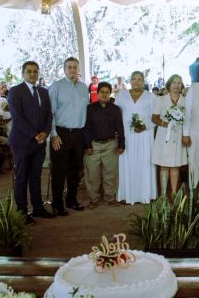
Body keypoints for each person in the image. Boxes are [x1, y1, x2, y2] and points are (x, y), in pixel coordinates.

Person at [7, 61, 55, 224]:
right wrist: (34, 135)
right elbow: (17, 117)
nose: (33, 74)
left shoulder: (43, 91)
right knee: (22, 177)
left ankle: (38, 208)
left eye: (35, 71)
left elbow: (49, 115)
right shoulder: (15, 91)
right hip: (22, 142)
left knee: (36, 176)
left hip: (40, 141)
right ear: (23, 73)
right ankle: (22, 212)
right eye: (29, 71)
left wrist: (45, 133)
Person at [48, 57, 90, 216]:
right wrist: (53, 134)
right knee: (59, 171)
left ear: (78, 69)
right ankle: (57, 203)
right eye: (69, 67)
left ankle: (71, 199)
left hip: (79, 134)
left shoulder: (83, 87)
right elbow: (50, 113)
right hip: (61, 133)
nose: (72, 69)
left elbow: (86, 111)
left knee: (76, 170)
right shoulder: (56, 86)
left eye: (75, 67)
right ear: (64, 69)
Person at [115, 71, 157, 204]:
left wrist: (146, 126)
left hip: (145, 135)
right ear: (130, 80)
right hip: (127, 135)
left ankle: (145, 194)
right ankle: (127, 194)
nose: (136, 81)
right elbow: (115, 115)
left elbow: (156, 117)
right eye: (134, 79)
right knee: (127, 161)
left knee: (144, 162)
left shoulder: (151, 96)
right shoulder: (121, 95)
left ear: (143, 81)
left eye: (139, 79)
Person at [83, 82, 125, 208]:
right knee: (92, 175)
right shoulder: (90, 108)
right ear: (97, 93)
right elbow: (86, 128)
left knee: (110, 174)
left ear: (110, 94)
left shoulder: (115, 109)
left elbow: (120, 128)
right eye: (102, 92)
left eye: (107, 92)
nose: (104, 94)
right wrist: (87, 146)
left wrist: (121, 145)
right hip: (93, 146)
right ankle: (93, 199)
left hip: (110, 146)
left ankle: (110, 198)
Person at [152, 74, 187, 196]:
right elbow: (154, 118)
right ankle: (163, 194)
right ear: (169, 85)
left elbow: (188, 119)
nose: (176, 85)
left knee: (175, 166)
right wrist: (165, 124)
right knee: (164, 166)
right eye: (174, 83)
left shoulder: (185, 100)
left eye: (179, 83)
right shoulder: (161, 99)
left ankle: (173, 193)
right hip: (164, 135)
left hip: (178, 135)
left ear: (181, 85)